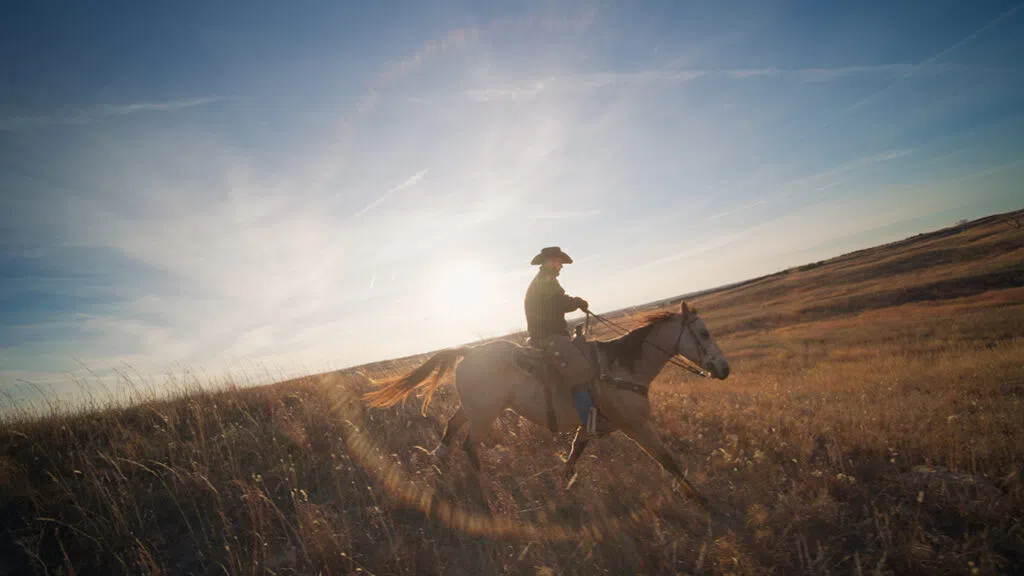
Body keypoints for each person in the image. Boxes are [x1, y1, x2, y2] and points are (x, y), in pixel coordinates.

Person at [524, 246, 597, 430]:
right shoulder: (545, 280)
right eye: (558, 262)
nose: (561, 266)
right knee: (580, 371)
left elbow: (557, 301)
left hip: (550, 333)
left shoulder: (546, 281)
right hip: (548, 336)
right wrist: (576, 302)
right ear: (549, 261)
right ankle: (588, 423)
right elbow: (557, 303)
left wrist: (574, 301)